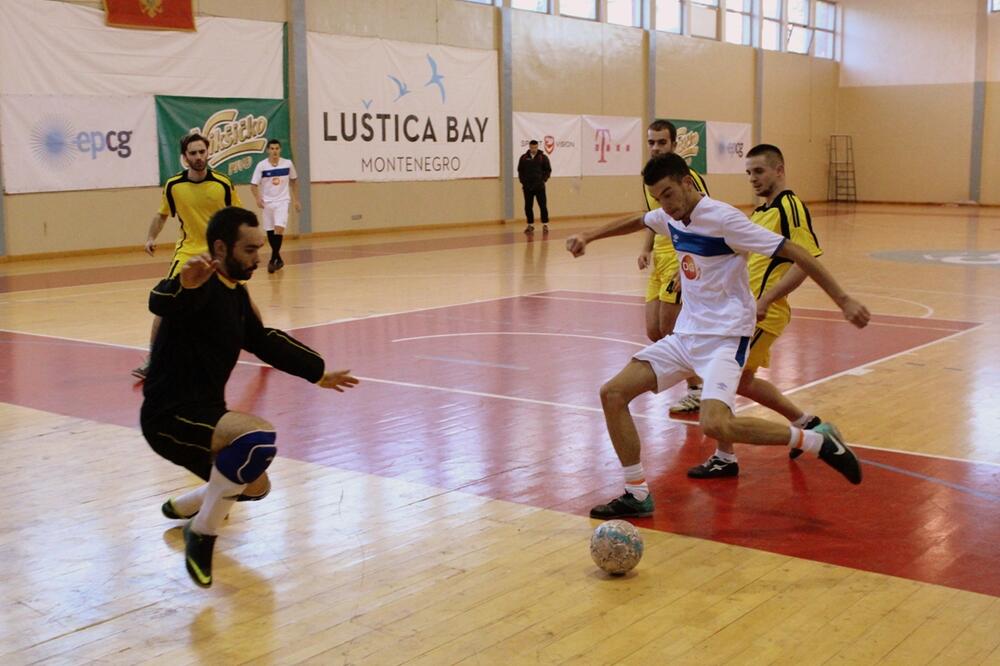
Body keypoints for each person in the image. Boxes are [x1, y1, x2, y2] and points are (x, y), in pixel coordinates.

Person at [566, 153, 870, 519]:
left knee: (715, 424)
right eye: (659, 198)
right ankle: (636, 492)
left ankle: (817, 441)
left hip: (726, 338)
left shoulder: (725, 219)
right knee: (612, 393)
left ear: (687, 184)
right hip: (686, 336)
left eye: (669, 194)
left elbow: (795, 251)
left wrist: (843, 299)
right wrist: (589, 235)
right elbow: (638, 219)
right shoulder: (669, 215)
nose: (665, 206)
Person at [140, 206, 359, 587]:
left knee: (255, 484)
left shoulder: (234, 295)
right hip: (169, 416)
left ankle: (184, 507)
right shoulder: (196, 285)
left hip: (206, 413)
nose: (259, 258)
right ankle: (202, 532)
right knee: (255, 437)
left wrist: (317, 371)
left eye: (260, 248)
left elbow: (261, 340)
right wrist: (184, 283)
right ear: (221, 248)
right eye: (249, 250)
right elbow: (162, 302)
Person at [688, 143, 825, 478]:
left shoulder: (789, 206)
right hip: (745, 312)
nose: (753, 178)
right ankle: (806, 423)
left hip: (764, 313)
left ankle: (725, 456)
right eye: (748, 173)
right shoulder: (761, 211)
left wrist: (766, 300)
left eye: (759, 171)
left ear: (779, 170)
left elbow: (806, 262)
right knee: (744, 381)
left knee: (720, 378)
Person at [133, 132, 242, 380]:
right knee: (165, 303)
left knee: (240, 302)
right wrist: (151, 237)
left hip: (219, 253)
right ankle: (154, 358)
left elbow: (236, 216)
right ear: (185, 157)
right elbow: (162, 215)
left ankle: (261, 341)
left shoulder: (223, 184)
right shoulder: (174, 186)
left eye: (202, 152)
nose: (198, 157)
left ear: (208, 152)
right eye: (193, 153)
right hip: (188, 252)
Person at [639, 120, 708, 415]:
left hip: (680, 257)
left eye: (661, 143)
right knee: (654, 330)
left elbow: (704, 218)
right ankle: (698, 381)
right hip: (659, 258)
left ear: (674, 145)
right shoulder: (650, 178)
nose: (655, 148)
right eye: (651, 142)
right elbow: (653, 216)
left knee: (672, 329)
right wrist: (645, 247)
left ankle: (698, 389)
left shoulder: (686, 178)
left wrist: (687, 264)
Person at [250, 138, 301, 273]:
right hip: (267, 203)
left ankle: (273, 259)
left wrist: (296, 200)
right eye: (272, 149)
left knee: (279, 228)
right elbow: (253, 185)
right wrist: (258, 198)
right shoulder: (262, 165)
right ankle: (278, 258)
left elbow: (294, 181)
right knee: (270, 231)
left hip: (283, 201)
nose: (274, 151)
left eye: (277, 148)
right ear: (268, 150)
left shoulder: (288, 164)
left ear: (280, 150)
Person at [517, 139, 551, 234]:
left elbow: (548, 170)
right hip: (527, 187)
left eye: (535, 147)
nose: (533, 149)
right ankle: (530, 225)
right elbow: (520, 171)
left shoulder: (543, 158)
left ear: (537, 147)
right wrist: (523, 182)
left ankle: (545, 224)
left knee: (543, 206)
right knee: (528, 206)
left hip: (539, 187)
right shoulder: (523, 158)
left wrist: (543, 180)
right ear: (529, 147)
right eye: (532, 147)